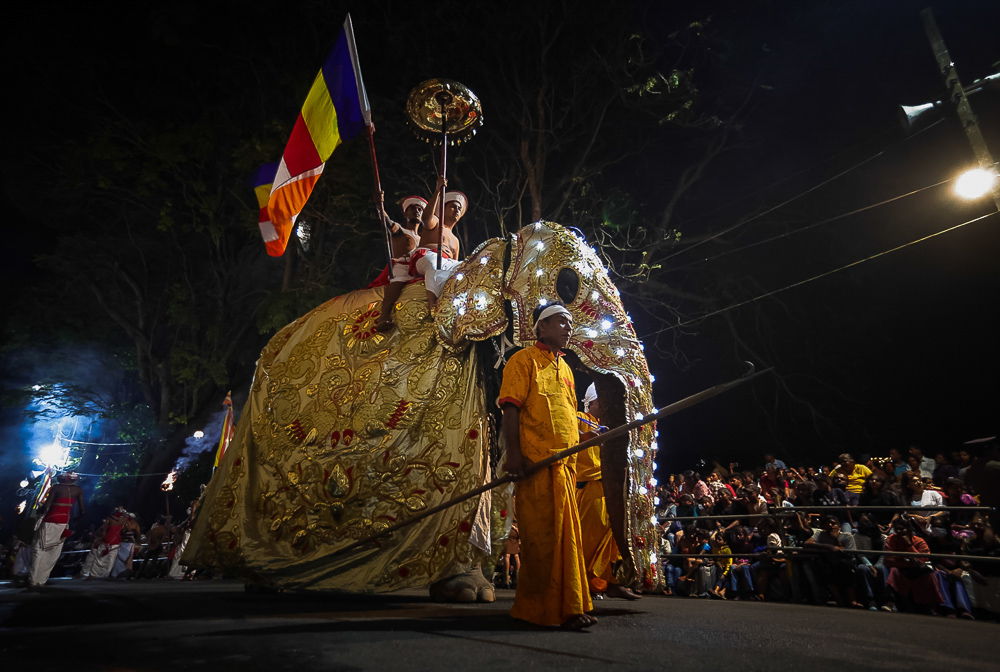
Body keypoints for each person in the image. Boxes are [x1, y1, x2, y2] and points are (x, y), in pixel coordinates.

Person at [498, 302, 595, 630]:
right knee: (542, 541)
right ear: (541, 327)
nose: (569, 328)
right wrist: (514, 455)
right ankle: (536, 609)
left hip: (565, 467)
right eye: (562, 321)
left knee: (567, 540)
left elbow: (566, 414)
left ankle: (570, 607)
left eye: (570, 323)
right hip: (536, 465)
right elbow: (510, 408)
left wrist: (584, 437)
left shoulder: (565, 368)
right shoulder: (522, 360)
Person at [574, 383, 640, 601]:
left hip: (610, 486)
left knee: (615, 535)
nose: (604, 406)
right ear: (591, 402)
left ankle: (612, 582)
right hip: (590, 487)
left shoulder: (610, 424)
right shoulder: (579, 418)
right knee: (590, 538)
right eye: (600, 401)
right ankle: (584, 584)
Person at [411, 176, 467, 310]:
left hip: (446, 263)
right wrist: (437, 191)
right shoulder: (436, 222)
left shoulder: (455, 240)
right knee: (435, 264)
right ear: (443, 209)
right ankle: (432, 303)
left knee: (466, 267)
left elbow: (454, 262)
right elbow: (425, 219)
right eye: (453, 207)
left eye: (459, 208)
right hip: (426, 257)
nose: (457, 210)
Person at [375, 195, 427, 332]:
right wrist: (380, 207)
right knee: (399, 279)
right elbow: (387, 222)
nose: (417, 211)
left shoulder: (423, 238)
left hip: (418, 269)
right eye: (413, 208)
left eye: (420, 209)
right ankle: (384, 316)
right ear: (405, 213)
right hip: (403, 267)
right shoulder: (400, 230)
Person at [27, 472, 85, 588]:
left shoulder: (56, 487)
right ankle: (41, 580)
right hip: (63, 523)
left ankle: (33, 580)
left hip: (50, 520)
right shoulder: (78, 490)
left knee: (38, 549)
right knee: (53, 552)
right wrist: (77, 519)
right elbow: (82, 510)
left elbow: (47, 505)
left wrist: (39, 510)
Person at [83, 506, 129, 580]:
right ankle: (104, 575)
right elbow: (127, 530)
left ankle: (92, 575)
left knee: (99, 559)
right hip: (116, 541)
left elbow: (102, 528)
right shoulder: (124, 521)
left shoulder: (110, 519)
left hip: (106, 540)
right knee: (110, 561)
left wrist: (98, 537)